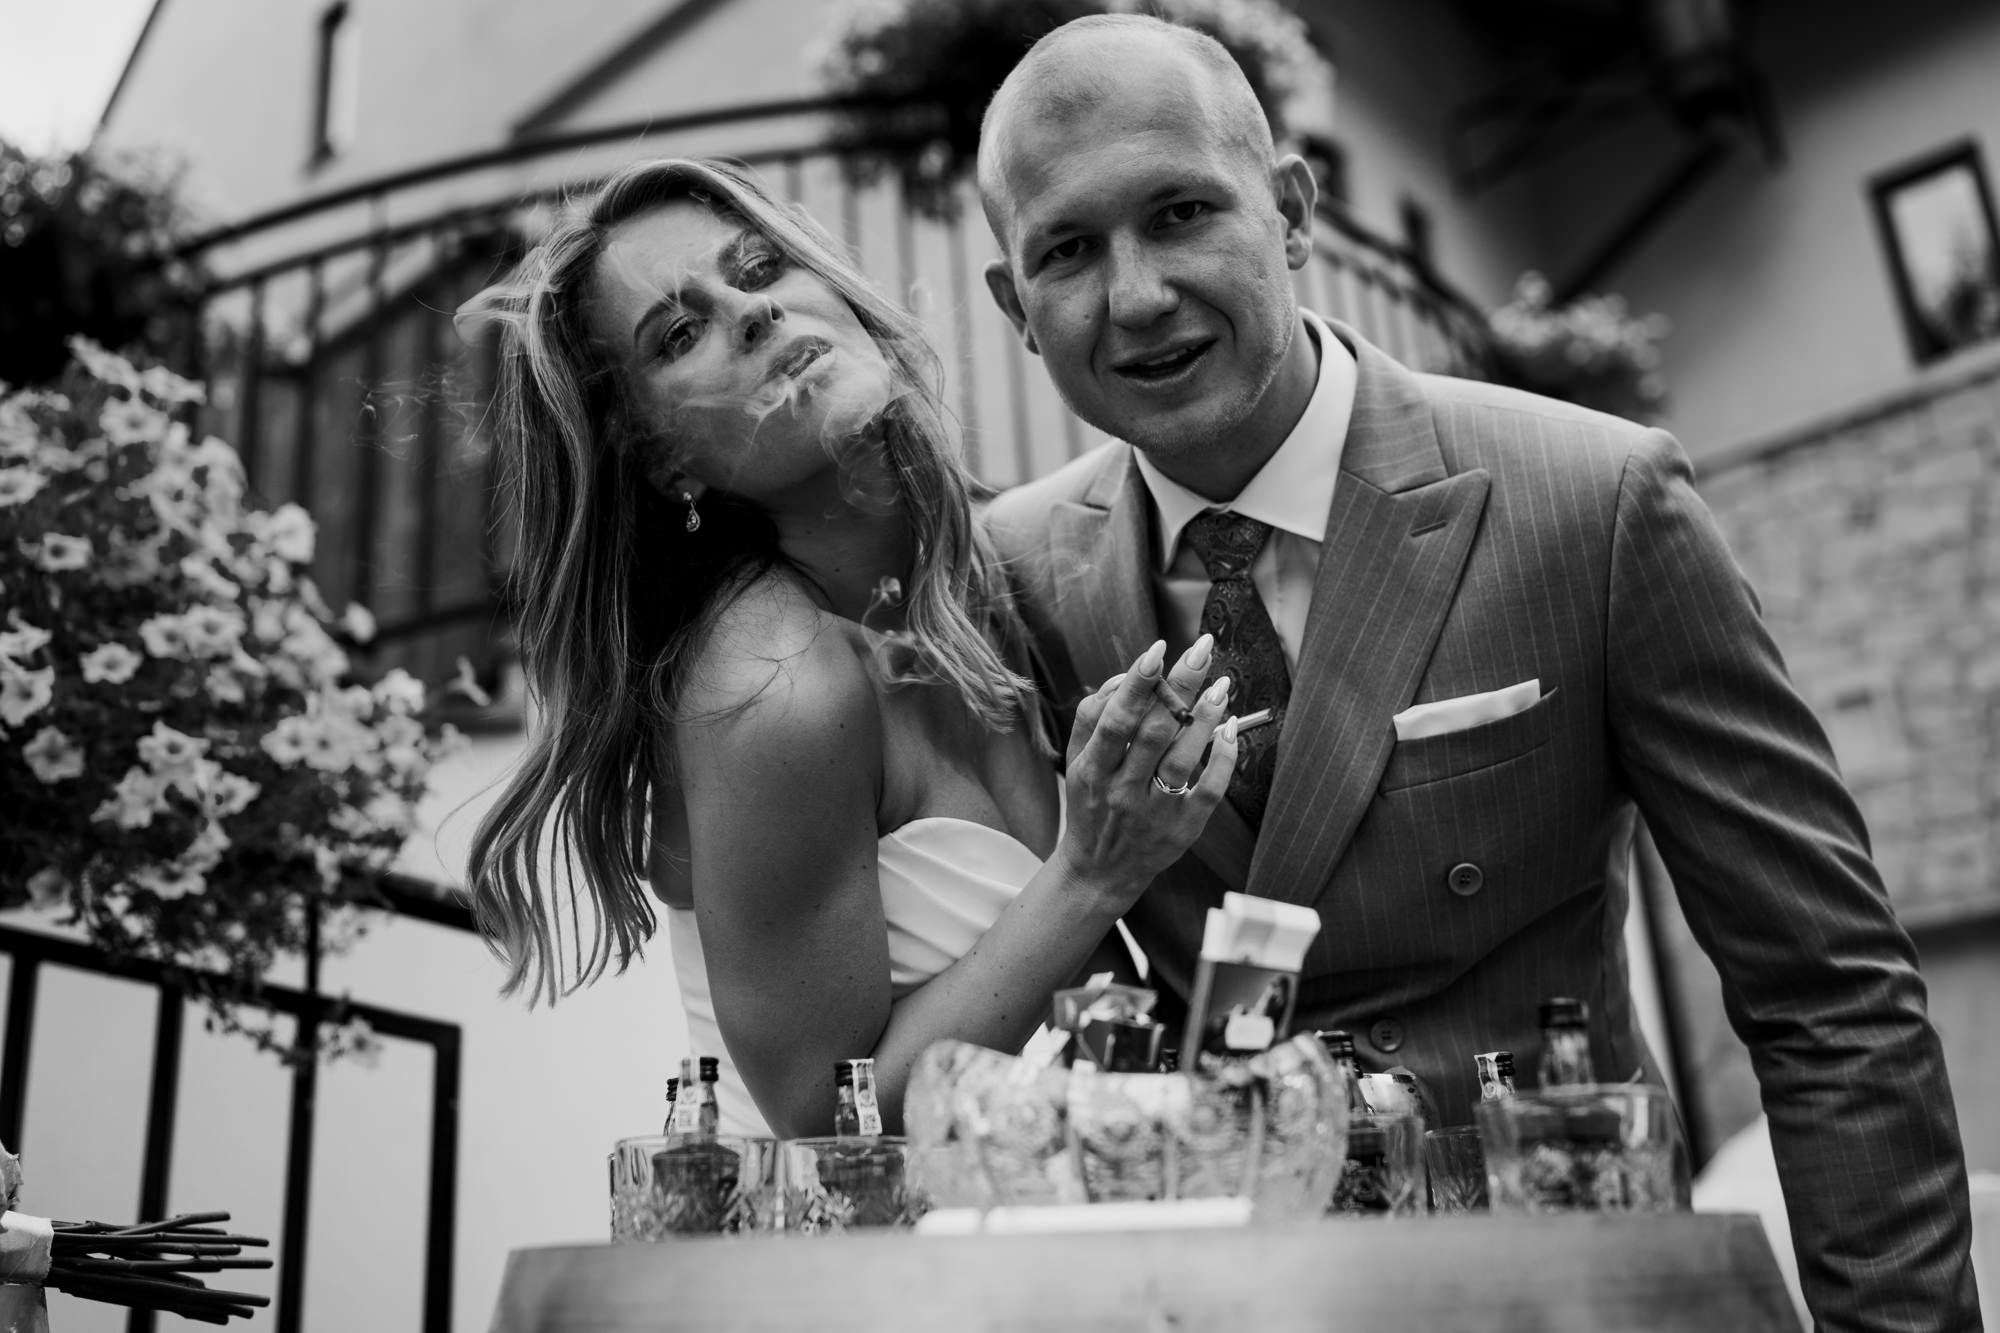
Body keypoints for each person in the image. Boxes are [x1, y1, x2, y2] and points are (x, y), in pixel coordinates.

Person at [975, 14, 1978, 1329]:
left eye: (1180, 213)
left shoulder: (1596, 499)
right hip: (1231, 1302)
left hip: (1568, 1285)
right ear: (1015, 307)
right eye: (1066, 250)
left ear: (1291, 213)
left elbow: (1826, 993)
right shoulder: (1012, 578)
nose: (1137, 294)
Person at [457, 157, 1241, 1139]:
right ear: (660, 458)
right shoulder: (772, 686)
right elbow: (829, 1123)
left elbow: (1074, 989)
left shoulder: (979, 579)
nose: (752, 313)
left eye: (759, 269)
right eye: (679, 334)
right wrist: (1092, 872)